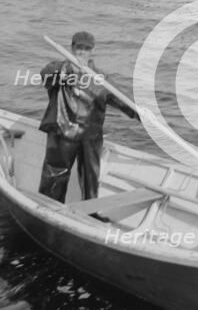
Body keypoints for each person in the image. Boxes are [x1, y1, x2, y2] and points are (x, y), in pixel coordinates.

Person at [37, 31, 139, 203]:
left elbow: (124, 101)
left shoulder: (102, 79)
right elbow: (44, 75)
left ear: (93, 51)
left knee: (91, 178)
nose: (82, 52)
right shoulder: (59, 71)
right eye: (79, 48)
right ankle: (49, 207)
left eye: (86, 48)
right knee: (56, 174)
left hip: (90, 136)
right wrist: (68, 68)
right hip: (63, 132)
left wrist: (142, 114)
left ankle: (91, 213)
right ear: (72, 48)